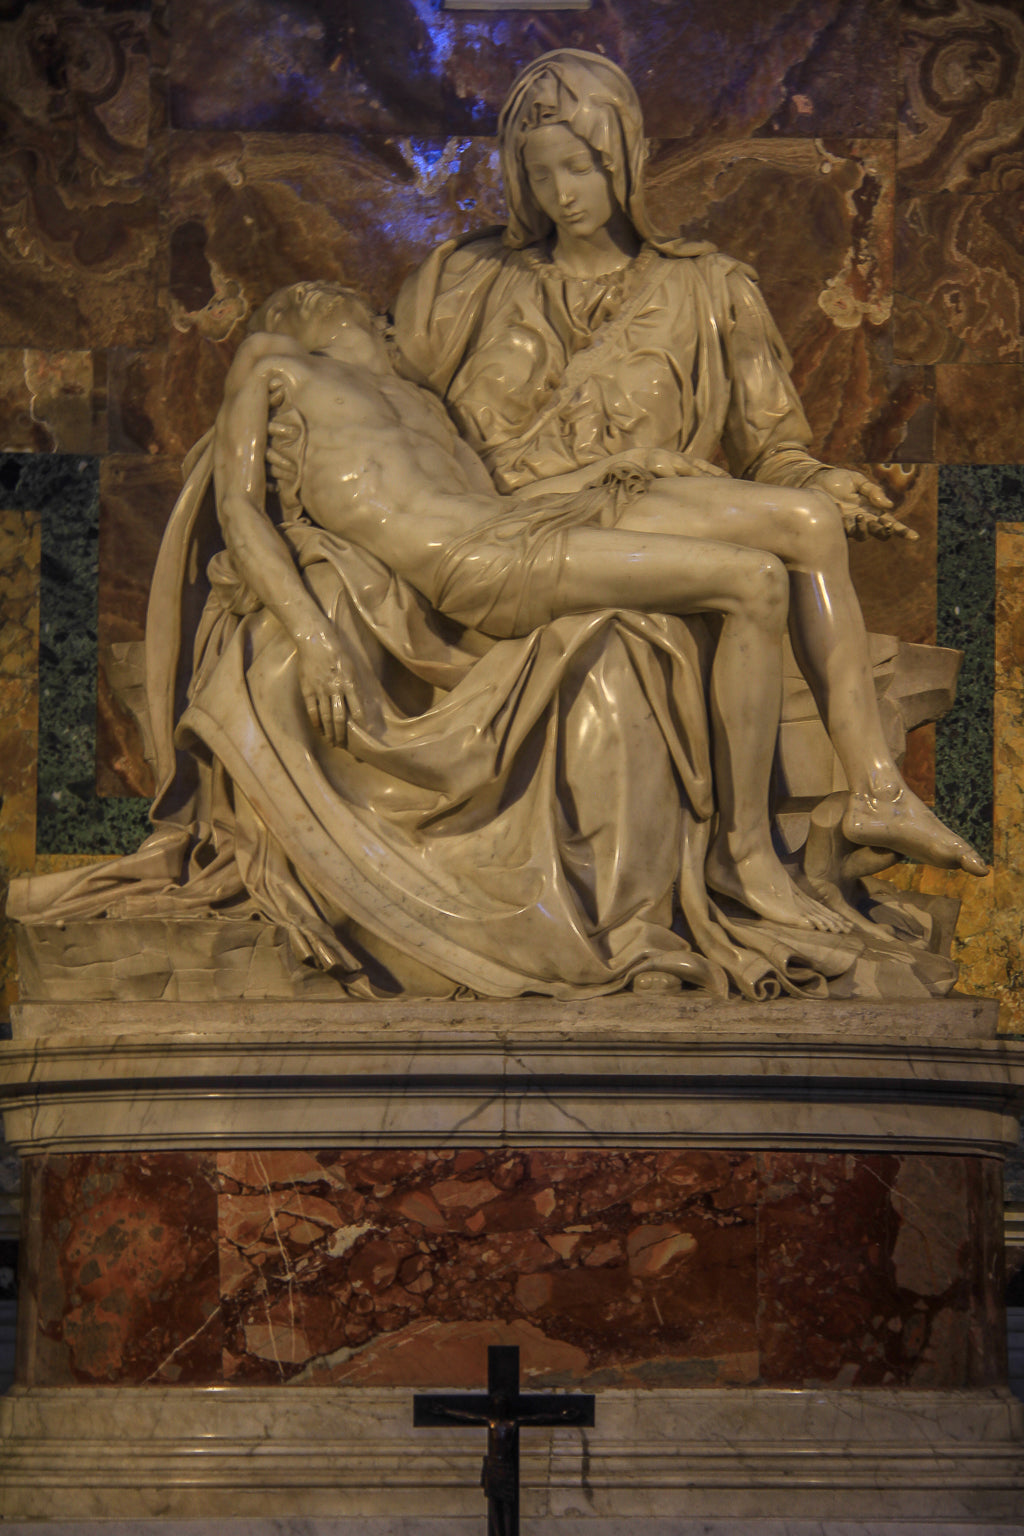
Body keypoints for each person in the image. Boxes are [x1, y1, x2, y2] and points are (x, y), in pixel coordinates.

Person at [394, 47, 985, 887]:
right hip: (511, 526)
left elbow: (769, 445)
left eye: (584, 168)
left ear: (625, 159)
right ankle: (792, 832)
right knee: (765, 556)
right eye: (542, 173)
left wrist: (814, 478)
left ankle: (878, 792)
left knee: (810, 518)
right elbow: (379, 404)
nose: (565, 194)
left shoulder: (712, 289)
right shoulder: (465, 283)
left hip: (637, 506)